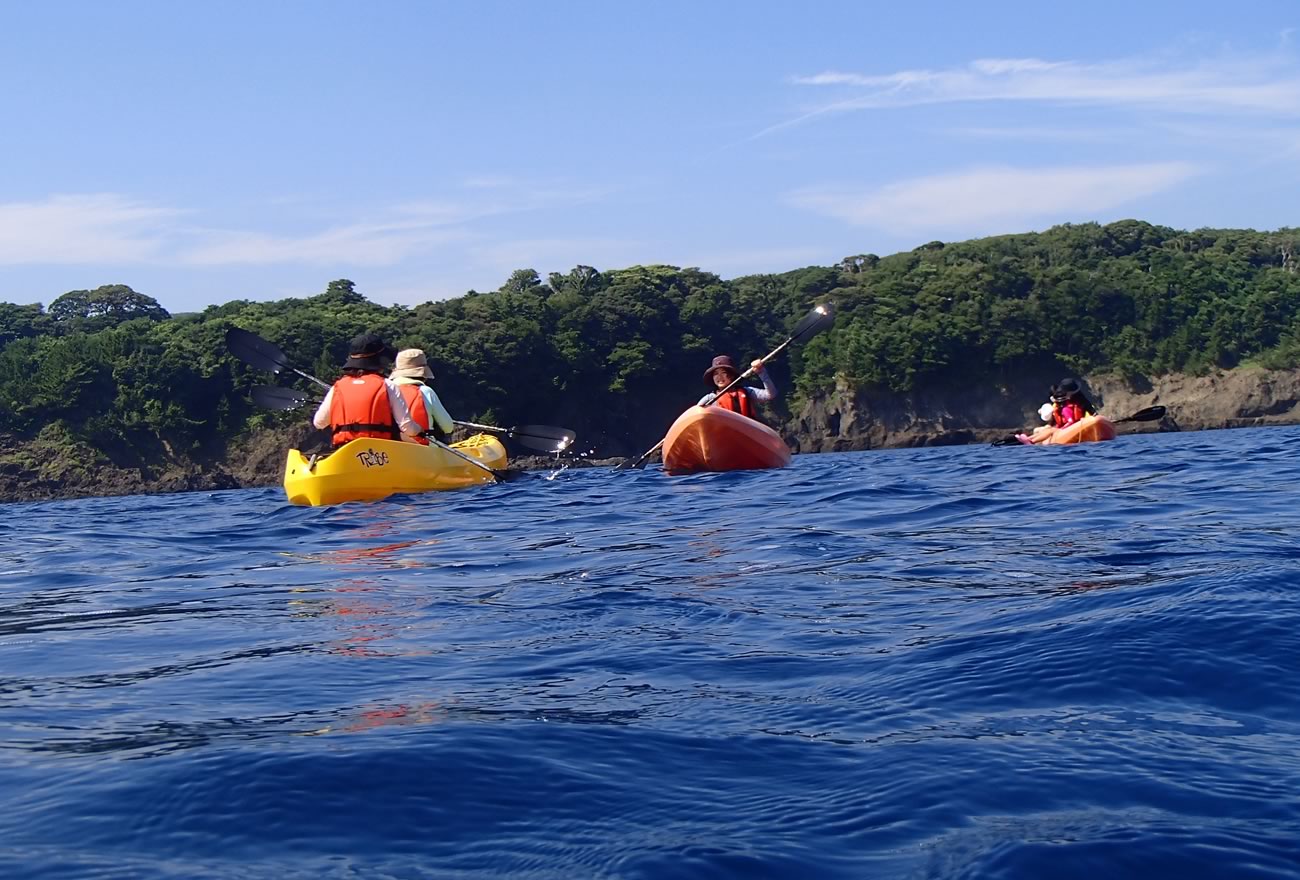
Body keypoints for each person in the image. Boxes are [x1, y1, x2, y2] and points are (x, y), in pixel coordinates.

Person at [312, 333, 422, 446]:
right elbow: (408, 429)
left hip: (345, 450)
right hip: (380, 454)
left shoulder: (337, 387)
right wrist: (420, 430)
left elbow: (319, 423)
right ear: (378, 360)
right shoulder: (388, 385)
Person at [389, 348, 455, 445]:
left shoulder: (386, 390)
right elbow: (448, 427)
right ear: (423, 373)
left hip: (390, 449)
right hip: (423, 449)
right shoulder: (426, 392)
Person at [697, 355, 777, 419]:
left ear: (732, 376)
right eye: (716, 374)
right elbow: (695, 413)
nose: (719, 377)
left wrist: (761, 372)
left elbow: (770, 394)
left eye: (723, 372)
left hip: (746, 431)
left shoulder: (747, 392)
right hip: (722, 433)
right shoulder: (710, 398)